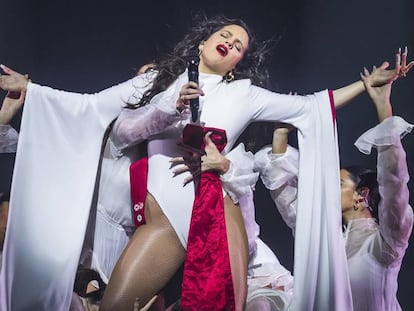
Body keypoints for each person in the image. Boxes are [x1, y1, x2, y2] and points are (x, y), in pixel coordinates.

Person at [0, 14, 406, 311]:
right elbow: (91, 108)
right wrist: (32, 91)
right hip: (165, 220)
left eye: (240, 45)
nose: (230, 42)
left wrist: (367, 87)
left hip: (216, 210)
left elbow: (312, 106)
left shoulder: (244, 94)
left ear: (236, 63)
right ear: (203, 43)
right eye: (225, 34)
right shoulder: (156, 80)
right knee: (115, 306)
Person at [254, 64, 414, 310]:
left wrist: (383, 107)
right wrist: (281, 134)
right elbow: (290, 202)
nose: (329, 189)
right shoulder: (328, 242)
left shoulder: (385, 243)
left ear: (362, 195)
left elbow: (394, 183)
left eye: (339, 184)